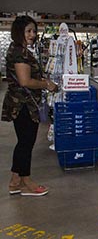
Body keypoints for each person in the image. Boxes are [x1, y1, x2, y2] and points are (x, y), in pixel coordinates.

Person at [2, 15, 58, 197]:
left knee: (23, 142)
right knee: (26, 142)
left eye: (34, 31)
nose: (32, 34)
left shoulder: (19, 50)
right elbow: (25, 81)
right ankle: (26, 182)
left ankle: (15, 181)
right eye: (28, 31)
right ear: (19, 32)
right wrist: (46, 84)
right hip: (23, 104)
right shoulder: (20, 53)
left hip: (21, 103)